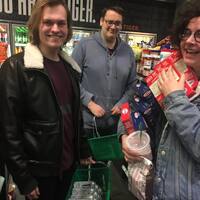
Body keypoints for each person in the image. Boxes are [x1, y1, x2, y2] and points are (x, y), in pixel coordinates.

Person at [0, 0, 93, 200]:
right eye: (48, 22)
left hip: (67, 167)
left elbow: (74, 116)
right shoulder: (15, 68)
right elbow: (8, 131)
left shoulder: (71, 68)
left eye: (61, 23)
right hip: (39, 174)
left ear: (68, 28)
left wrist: (83, 149)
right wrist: (23, 178)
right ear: (36, 25)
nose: (55, 29)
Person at [121, 0, 200, 199]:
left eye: (199, 34)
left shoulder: (174, 89)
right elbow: (135, 106)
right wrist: (126, 135)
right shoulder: (171, 71)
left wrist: (175, 98)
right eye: (186, 32)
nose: (190, 41)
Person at [72, 6, 136, 200]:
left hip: (112, 126)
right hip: (86, 125)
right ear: (101, 21)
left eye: (117, 23)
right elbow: (72, 79)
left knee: (104, 171)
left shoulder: (128, 52)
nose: (113, 26)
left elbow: (133, 85)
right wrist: (88, 101)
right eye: (110, 22)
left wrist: (123, 102)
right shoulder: (84, 46)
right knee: (83, 170)